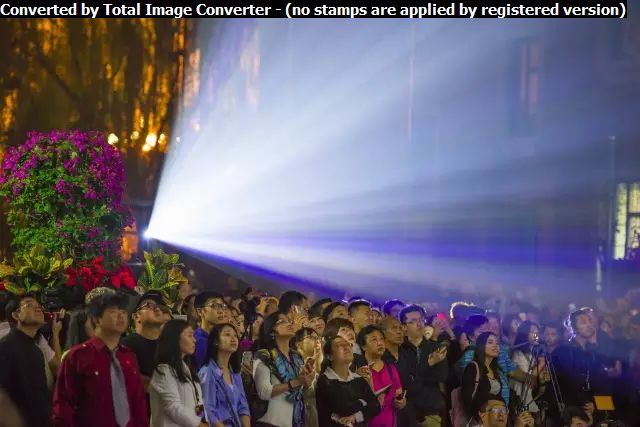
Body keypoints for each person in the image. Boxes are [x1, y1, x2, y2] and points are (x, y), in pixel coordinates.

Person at [52, 292, 148, 427]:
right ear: (97, 319)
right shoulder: (78, 356)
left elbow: (138, 403)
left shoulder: (128, 356)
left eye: (123, 312)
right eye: (113, 312)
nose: (120, 316)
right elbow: (63, 405)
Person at [253, 311, 313, 427]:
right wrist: (295, 382)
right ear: (271, 331)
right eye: (282, 322)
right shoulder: (265, 355)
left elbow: (302, 390)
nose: (289, 324)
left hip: (296, 421)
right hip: (271, 422)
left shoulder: (297, 356)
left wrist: (307, 381)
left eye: (289, 321)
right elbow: (264, 392)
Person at [0, 294, 52, 427]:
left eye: (39, 306)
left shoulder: (36, 350)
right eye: (29, 305)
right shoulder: (5, 347)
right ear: (16, 315)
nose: (38, 309)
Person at [149, 319, 207, 427]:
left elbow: (198, 403)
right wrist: (198, 424)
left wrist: (203, 419)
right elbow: (172, 407)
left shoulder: (187, 369)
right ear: (174, 338)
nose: (194, 340)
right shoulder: (164, 370)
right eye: (190, 335)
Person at [316, 334, 381, 426]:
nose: (346, 347)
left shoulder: (358, 379)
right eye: (339, 345)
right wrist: (361, 402)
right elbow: (342, 409)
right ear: (330, 356)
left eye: (348, 344)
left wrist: (354, 417)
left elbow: (375, 406)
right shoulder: (324, 381)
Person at [399, 304, 448, 427]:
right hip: (406, 409)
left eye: (421, 320)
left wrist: (416, 376)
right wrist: (429, 364)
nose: (419, 324)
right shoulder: (400, 350)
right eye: (413, 321)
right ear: (404, 327)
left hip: (431, 407)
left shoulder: (435, 347)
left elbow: (441, 376)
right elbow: (404, 380)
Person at [199, 323, 250, 427]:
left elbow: (243, 406)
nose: (233, 339)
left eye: (235, 336)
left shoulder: (235, 373)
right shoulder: (208, 372)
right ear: (216, 341)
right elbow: (207, 411)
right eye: (227, 334)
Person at [356, 325, 405, 427]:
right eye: (374, 340)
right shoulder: (359, 371)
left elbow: (399, 394)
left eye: (381, 339)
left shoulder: (391, 368)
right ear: (363, 346)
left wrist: (401, 402)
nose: (380, 343)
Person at [122, 291, 168, 390]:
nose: (157, 308)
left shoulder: (169, 345)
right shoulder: (126, 346)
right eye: (149, 305)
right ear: (136, 316)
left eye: (158, 306)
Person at [462, 332, 506, 421]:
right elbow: (468, 398)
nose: (495, 346)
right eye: (490, 342)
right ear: (481, 346)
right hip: (479, 417)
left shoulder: (495, 370)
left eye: (497, 343)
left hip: (494, 417)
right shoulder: (473, 367)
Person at [510, 321, 547, 416]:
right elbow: (529, 379)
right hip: (521, 397)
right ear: (524, 334)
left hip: (531, 396)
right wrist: (541, 364)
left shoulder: (535, 353)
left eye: (537, 332)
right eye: (532, 332)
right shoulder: (518, 354)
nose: (536, 334)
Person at [291, 328, 322, 427]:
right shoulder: (292, 366)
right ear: (299, 344)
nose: (317, 340)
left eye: (317, 338)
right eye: (311, 337)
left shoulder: (323, 363)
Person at [194, 292, 230, 369]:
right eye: (214, 306)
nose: (221, 311)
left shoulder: (222, 339)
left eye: (222, 306)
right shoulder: (196, 341)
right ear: (200, 311)